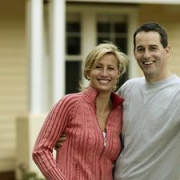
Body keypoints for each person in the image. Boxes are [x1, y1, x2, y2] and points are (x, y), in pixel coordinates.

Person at [56, 22, 180, 180]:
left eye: (153, 48)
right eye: (140, 49)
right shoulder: (128, 89)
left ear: (167, 50)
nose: (146, 55)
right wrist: (68, 138)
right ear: (134, 52)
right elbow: (98, 125)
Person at [32, 42, 128, 180]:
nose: (104, 73)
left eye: (111, 68)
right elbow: (40, 151)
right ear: (88, 72)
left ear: (117, 74)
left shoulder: (120, 112)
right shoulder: (70, 104)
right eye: (98, 67)